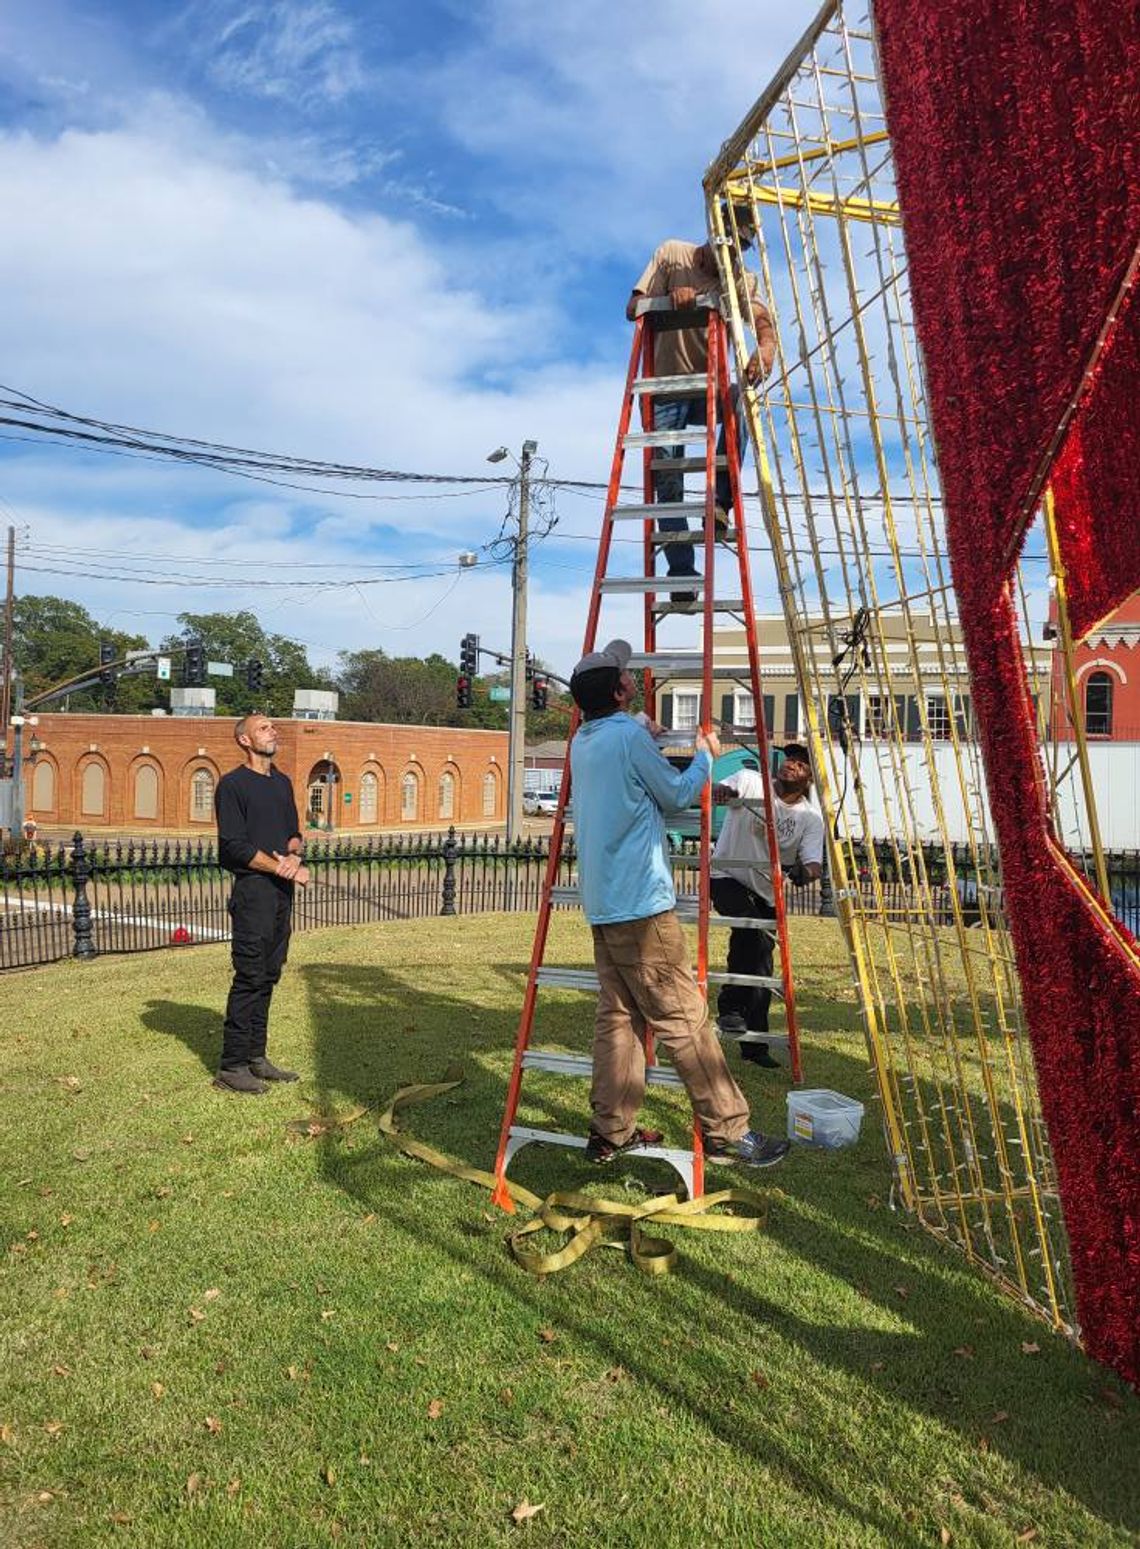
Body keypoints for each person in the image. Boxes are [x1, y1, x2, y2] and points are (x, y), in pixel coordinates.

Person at [570, 639, 790, 1170]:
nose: (631, 677)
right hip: (642, 907)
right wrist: (704, 757)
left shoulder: (584, 740)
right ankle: (727, 1131)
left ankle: (612, 1131)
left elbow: (626, 769)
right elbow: (674, 795)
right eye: (626, 674)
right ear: (623, 689)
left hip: (603, 903)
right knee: (684, 1018)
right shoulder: (625, 736)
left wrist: (641, 733)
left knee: (618, 1019)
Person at [626, 213, 777, 598]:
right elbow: (634, 307)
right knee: (669, 480)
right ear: (713, 237)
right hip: (664, 387)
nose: (731, 256)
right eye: (727, 245)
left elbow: (762, 319)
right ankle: (681, 572)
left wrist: (766, 348)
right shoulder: (674, 254)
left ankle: (720, 503)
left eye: (740, 249)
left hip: (707, 390)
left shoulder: (739, 279)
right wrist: (671, 300)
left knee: (741, 400)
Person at [214, 714, 309, 1095]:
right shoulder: (232, 785)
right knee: (250, 976)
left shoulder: (283, 782)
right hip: (253, 893)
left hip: (280, 897)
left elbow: (293, 836)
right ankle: (231, 1066)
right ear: (244, 740)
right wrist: (284, 870)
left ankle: (256, 1057)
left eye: (273, 727)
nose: (273, 732)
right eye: (264, 728)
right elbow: (233, 847)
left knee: (270, 974)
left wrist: (295, 857)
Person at [711, 744, 824, 1066]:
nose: (791, 765)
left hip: (766, 890)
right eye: (790, 758)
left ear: (810, 779)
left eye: (801, 764)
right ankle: (730, 1009)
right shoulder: (750, 780)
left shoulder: (809, 818)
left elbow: (814, 862)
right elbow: (724, 789)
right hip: (726, 875)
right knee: (750, 932)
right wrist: (720, 792)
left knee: (763, 967)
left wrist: (806, 872)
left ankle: (754, 1046)